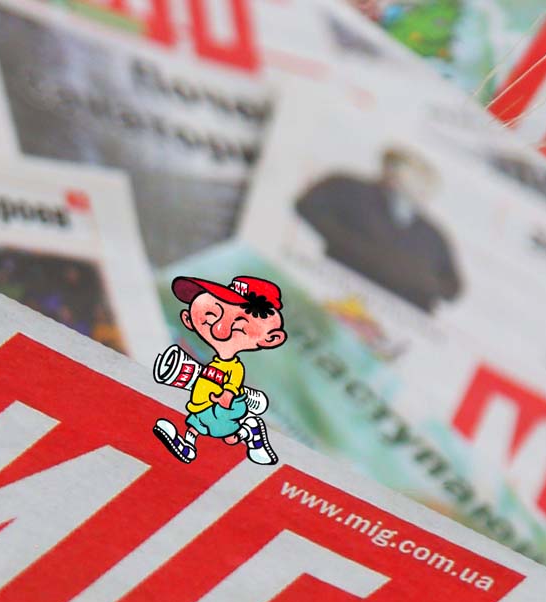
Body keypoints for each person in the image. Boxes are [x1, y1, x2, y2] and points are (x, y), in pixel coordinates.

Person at [295, 147, 461, 312]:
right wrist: (353, 247)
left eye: (424, 177)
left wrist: (418, 279)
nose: (420, 182)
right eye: (413, 171)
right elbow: (308, 205)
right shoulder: (351, 189)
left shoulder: (433, 235)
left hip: (402, 314)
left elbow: (453, 287)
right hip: (337, 290)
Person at [153, 275, 287, 465]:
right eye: (211, 314)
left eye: (240, 323)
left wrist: (225, 397)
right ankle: (188, 447)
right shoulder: (212, 361)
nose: (220, 329)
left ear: (270, 339)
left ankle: (252, 433)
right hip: (202, 408)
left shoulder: (234, 367)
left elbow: (230, 389)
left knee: (227, 434)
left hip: (222, 409)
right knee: (198, 429)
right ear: (188, 319)